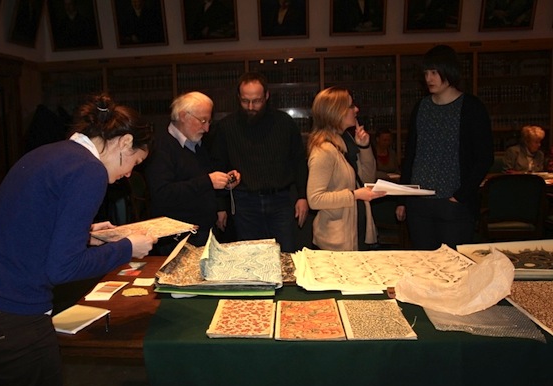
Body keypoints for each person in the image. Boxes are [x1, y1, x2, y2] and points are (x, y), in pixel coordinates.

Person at [0, 93, 156, 386]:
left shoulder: (51, 153)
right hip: (11, 318)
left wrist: (85, 234)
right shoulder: (89, 170)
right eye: (134, 163)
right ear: (124, 142)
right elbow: (63, 267)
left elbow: (28, 225)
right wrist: (127, 247)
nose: (128, 174)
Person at [396, 44, 494, 250]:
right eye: (426, 73)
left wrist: (460, 196)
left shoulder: (471, 107)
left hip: (453, 203)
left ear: (449, 71)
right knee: (424, 266)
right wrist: (403, 198)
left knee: (455, 268)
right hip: (419, 202)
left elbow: (484, 157)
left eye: (434, 72)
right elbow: (411, 155)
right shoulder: (421, 107)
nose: (429, 79)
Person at [210, 72, 309, 253]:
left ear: (267, 96)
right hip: (244, 202)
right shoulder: (226, 127)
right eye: (245, 101)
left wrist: (302, 196)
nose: (250, 107)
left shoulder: (284, 123)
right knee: (250, 257)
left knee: (285, 255)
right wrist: (221, 207)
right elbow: (219, 167)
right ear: (238, 97)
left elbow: (298, 161)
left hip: (281, 201)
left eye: (256, 101)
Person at [145, 91, 240, 254]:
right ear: (183, 116)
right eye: (202, 121)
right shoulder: (161, 147)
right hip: (176, 240)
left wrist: (224, 183)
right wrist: (208, 181)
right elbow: (162, 194)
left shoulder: (197, 144)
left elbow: (200, 184)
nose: (207, 128)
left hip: (200, 233)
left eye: (209, 121)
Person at [307, 86, 386, 251]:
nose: (356, 109)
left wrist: (364, 148)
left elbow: (366, 180)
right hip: (336, 240)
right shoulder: (324, 150)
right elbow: (315, 199)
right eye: (350, 106)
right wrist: (354, 195)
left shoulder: (344, 140)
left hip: (355, 230)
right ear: (336, 111)